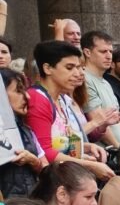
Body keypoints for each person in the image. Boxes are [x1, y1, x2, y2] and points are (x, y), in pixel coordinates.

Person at [24, 41, 113, 182]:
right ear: (47, 68)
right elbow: (44, 151)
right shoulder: (37, 99)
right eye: (70, 67)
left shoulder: (63, 99)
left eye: (79, 67)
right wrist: (90, 165)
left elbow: (58, 141)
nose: (78, 74)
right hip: (49, 183)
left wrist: (85, 146)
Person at [0, 68, 46, 197]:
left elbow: (45, 168)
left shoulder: (27, 130)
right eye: (18, 91)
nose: (27, 96)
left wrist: (33, 161)